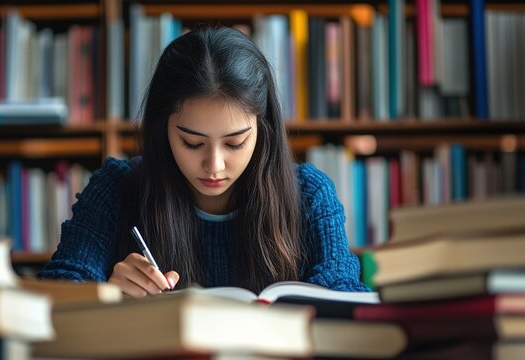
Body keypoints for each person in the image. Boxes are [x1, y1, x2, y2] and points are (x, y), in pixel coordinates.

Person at [39, 27, 369, 297]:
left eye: (235, 143)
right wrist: (105, 296)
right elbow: (59, 288)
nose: (214, 165)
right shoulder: (116, 187)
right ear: (162, 128)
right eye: (192, 143)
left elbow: (343, 294)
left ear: (263, 129)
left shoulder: (309, 194)